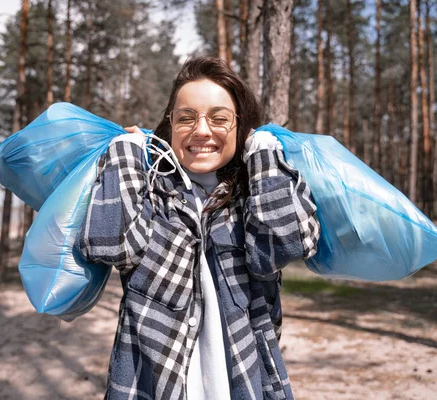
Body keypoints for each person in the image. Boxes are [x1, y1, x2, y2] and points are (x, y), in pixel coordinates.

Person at [78, 56, 320, 400]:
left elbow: (288, 243)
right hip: (149, 386)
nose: (201, 130)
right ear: (170, 125)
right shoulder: (150, 192)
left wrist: (262, 151)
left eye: (220, 118)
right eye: (186, 118)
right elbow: (109, 244)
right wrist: (125, 153)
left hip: (247, 384)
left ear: (240, 127)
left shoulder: (253, 197)